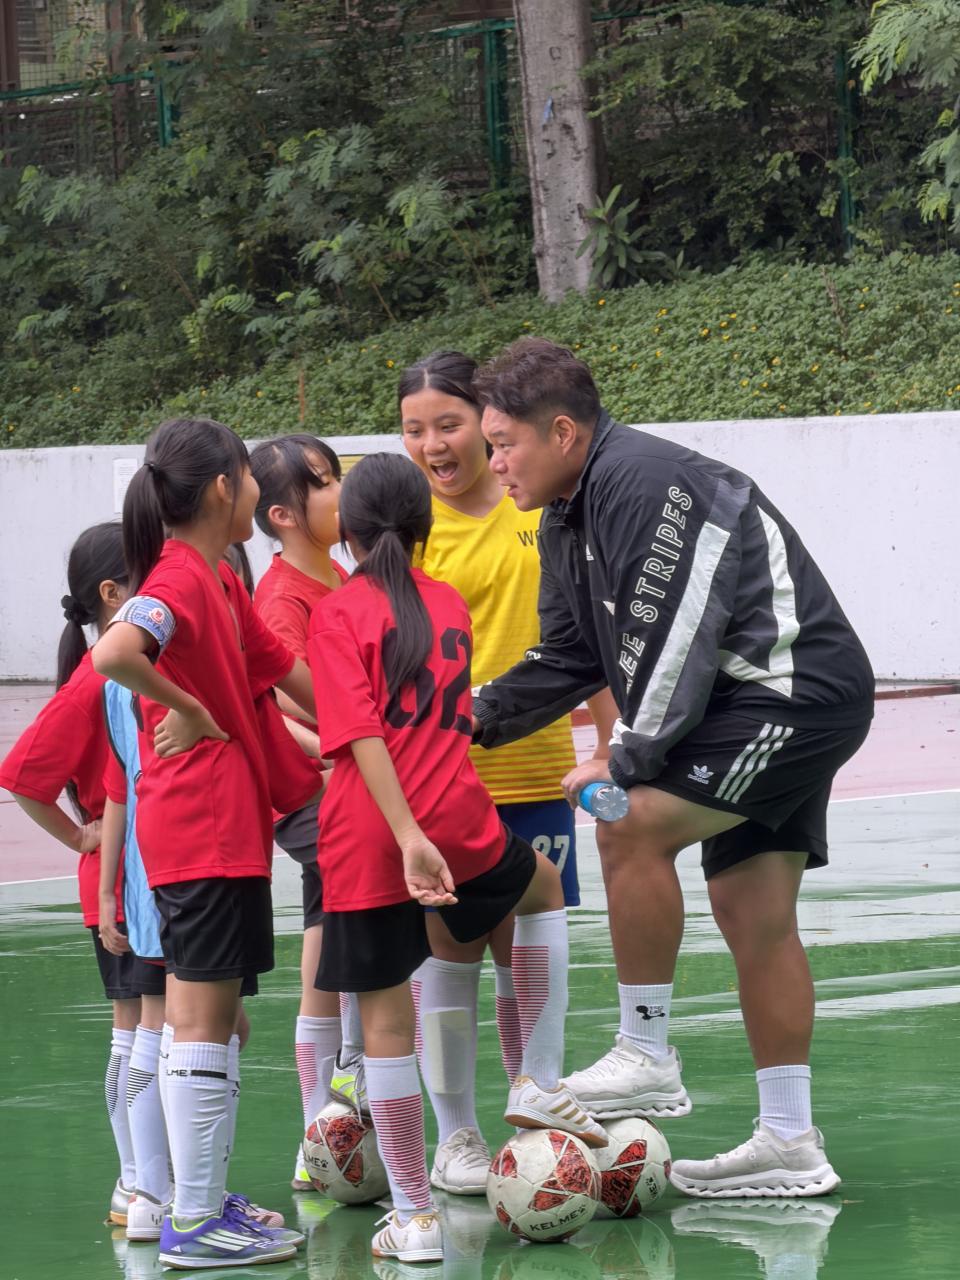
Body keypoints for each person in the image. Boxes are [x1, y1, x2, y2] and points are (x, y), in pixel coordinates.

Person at [471, 338, 874, 1198]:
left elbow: (677, 638)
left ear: (564, 433)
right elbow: (569, 655)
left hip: (789, 697)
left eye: (503, 443)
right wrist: (460, 720)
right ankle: (790, 1141)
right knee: (752, 911)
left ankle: (646, 1052)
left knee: (628, 821)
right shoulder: (566, 516)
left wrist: (622, 760)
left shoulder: (647, 483)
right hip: (748, 709)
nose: (491, 462)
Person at [307, 452, 606, 1263]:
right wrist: (426, 830)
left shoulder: (338, 613)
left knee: (385, 1028)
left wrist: (406, 836)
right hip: (460, 820)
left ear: (347, 532)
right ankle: (536, 1077)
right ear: (424, 527)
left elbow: (361, 737)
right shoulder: (446, 604)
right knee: (542, 888)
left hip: (374, 834)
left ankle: (415, 1216)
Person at [92, 417, 317, 1268]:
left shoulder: (218, 577)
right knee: (199, 1022)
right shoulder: (180, 578)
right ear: (225, 487)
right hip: (204, 828)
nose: (257, 487)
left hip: (219, 828)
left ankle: (200, 1202)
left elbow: (282, 670)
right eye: (249, 474)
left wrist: (370, 732)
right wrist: (187, 707)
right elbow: (117, 652)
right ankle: (191, 1219)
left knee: (209, 1023)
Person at [398, 351, 617, 1195]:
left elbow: (580, 644)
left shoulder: (539, 508)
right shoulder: (409, 531)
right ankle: (455, 1135)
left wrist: (608, 745)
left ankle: (535, 1101)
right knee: (451, 954)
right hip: (445, 781)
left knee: (524, 942)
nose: (432, 445)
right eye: (413, 430)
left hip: (538, 770)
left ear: (489, 426)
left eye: (448, 425)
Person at [0, 522, 167, 1227]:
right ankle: (142, 1184)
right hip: (125, 879)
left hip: (131, 873)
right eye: (146, 576)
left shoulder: (114, 668)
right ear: (112, 594)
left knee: (144, 1029)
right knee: (152, 1029)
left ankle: (139, 1182)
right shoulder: (98, 675)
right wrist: (81, 836)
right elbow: (21, 774)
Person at [248, 433, 355, 1191]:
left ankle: (321, 1133)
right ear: (283, 514)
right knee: (358, 925)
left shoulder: (341, 575)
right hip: (313, 793)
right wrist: (346, 753)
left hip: (350, 785)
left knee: (327, 936)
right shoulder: (281, 598)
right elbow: (278, 708)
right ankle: (329, 1113)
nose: (340, 492)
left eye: (337, 475)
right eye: (323, 482)